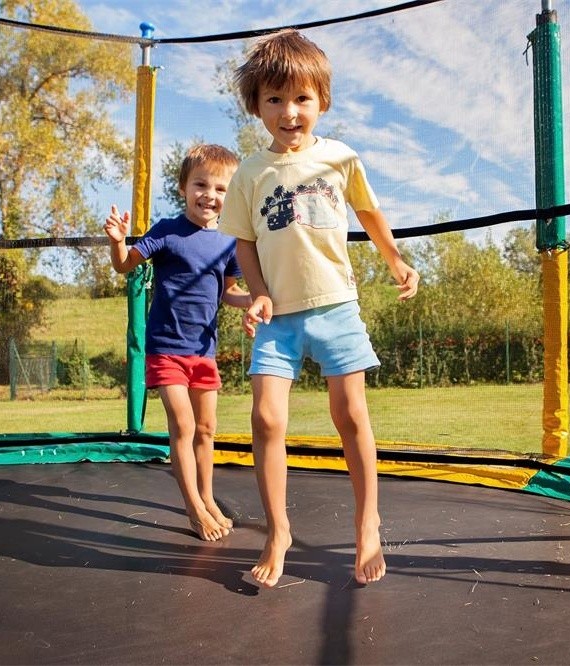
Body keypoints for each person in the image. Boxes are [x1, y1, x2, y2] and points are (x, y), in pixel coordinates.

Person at [219, 29, 420, 586]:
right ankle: (278, 530)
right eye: (275, 100)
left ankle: (367, 521)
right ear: (256, 106)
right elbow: (243, 244)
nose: (289, 112)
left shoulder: (340, 157)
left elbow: (370, 214)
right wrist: (257, 291)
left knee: (350, 415)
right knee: (265, 418)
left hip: (336, 307)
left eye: (301, 99)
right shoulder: (250, 173)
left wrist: (396, 261)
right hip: (278, 317)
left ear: (322, 101)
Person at [104, 144, 251, 542]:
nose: (210, 195)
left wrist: (254, 303)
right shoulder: (166, 231)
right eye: (201, 184)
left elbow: (229, 293)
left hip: (205, 351)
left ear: (230, 197)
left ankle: (207, 497)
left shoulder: (228, 242)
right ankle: (193, 509)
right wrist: (118, 240)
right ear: (183, 187)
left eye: (221, 189)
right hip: (167, 347)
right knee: (183, 425)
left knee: (206, 428)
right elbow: (124, 265)